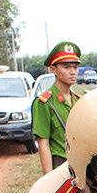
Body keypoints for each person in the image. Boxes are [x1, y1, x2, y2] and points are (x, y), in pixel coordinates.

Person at [33, 41, 83, 174]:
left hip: (81, 167)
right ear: (53, 69)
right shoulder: (45, 102)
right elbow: (43, 143)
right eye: (66, 67)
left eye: (75, 67)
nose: (72, 72)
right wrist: (49, 179)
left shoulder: (79, 100)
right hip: (60, 169)